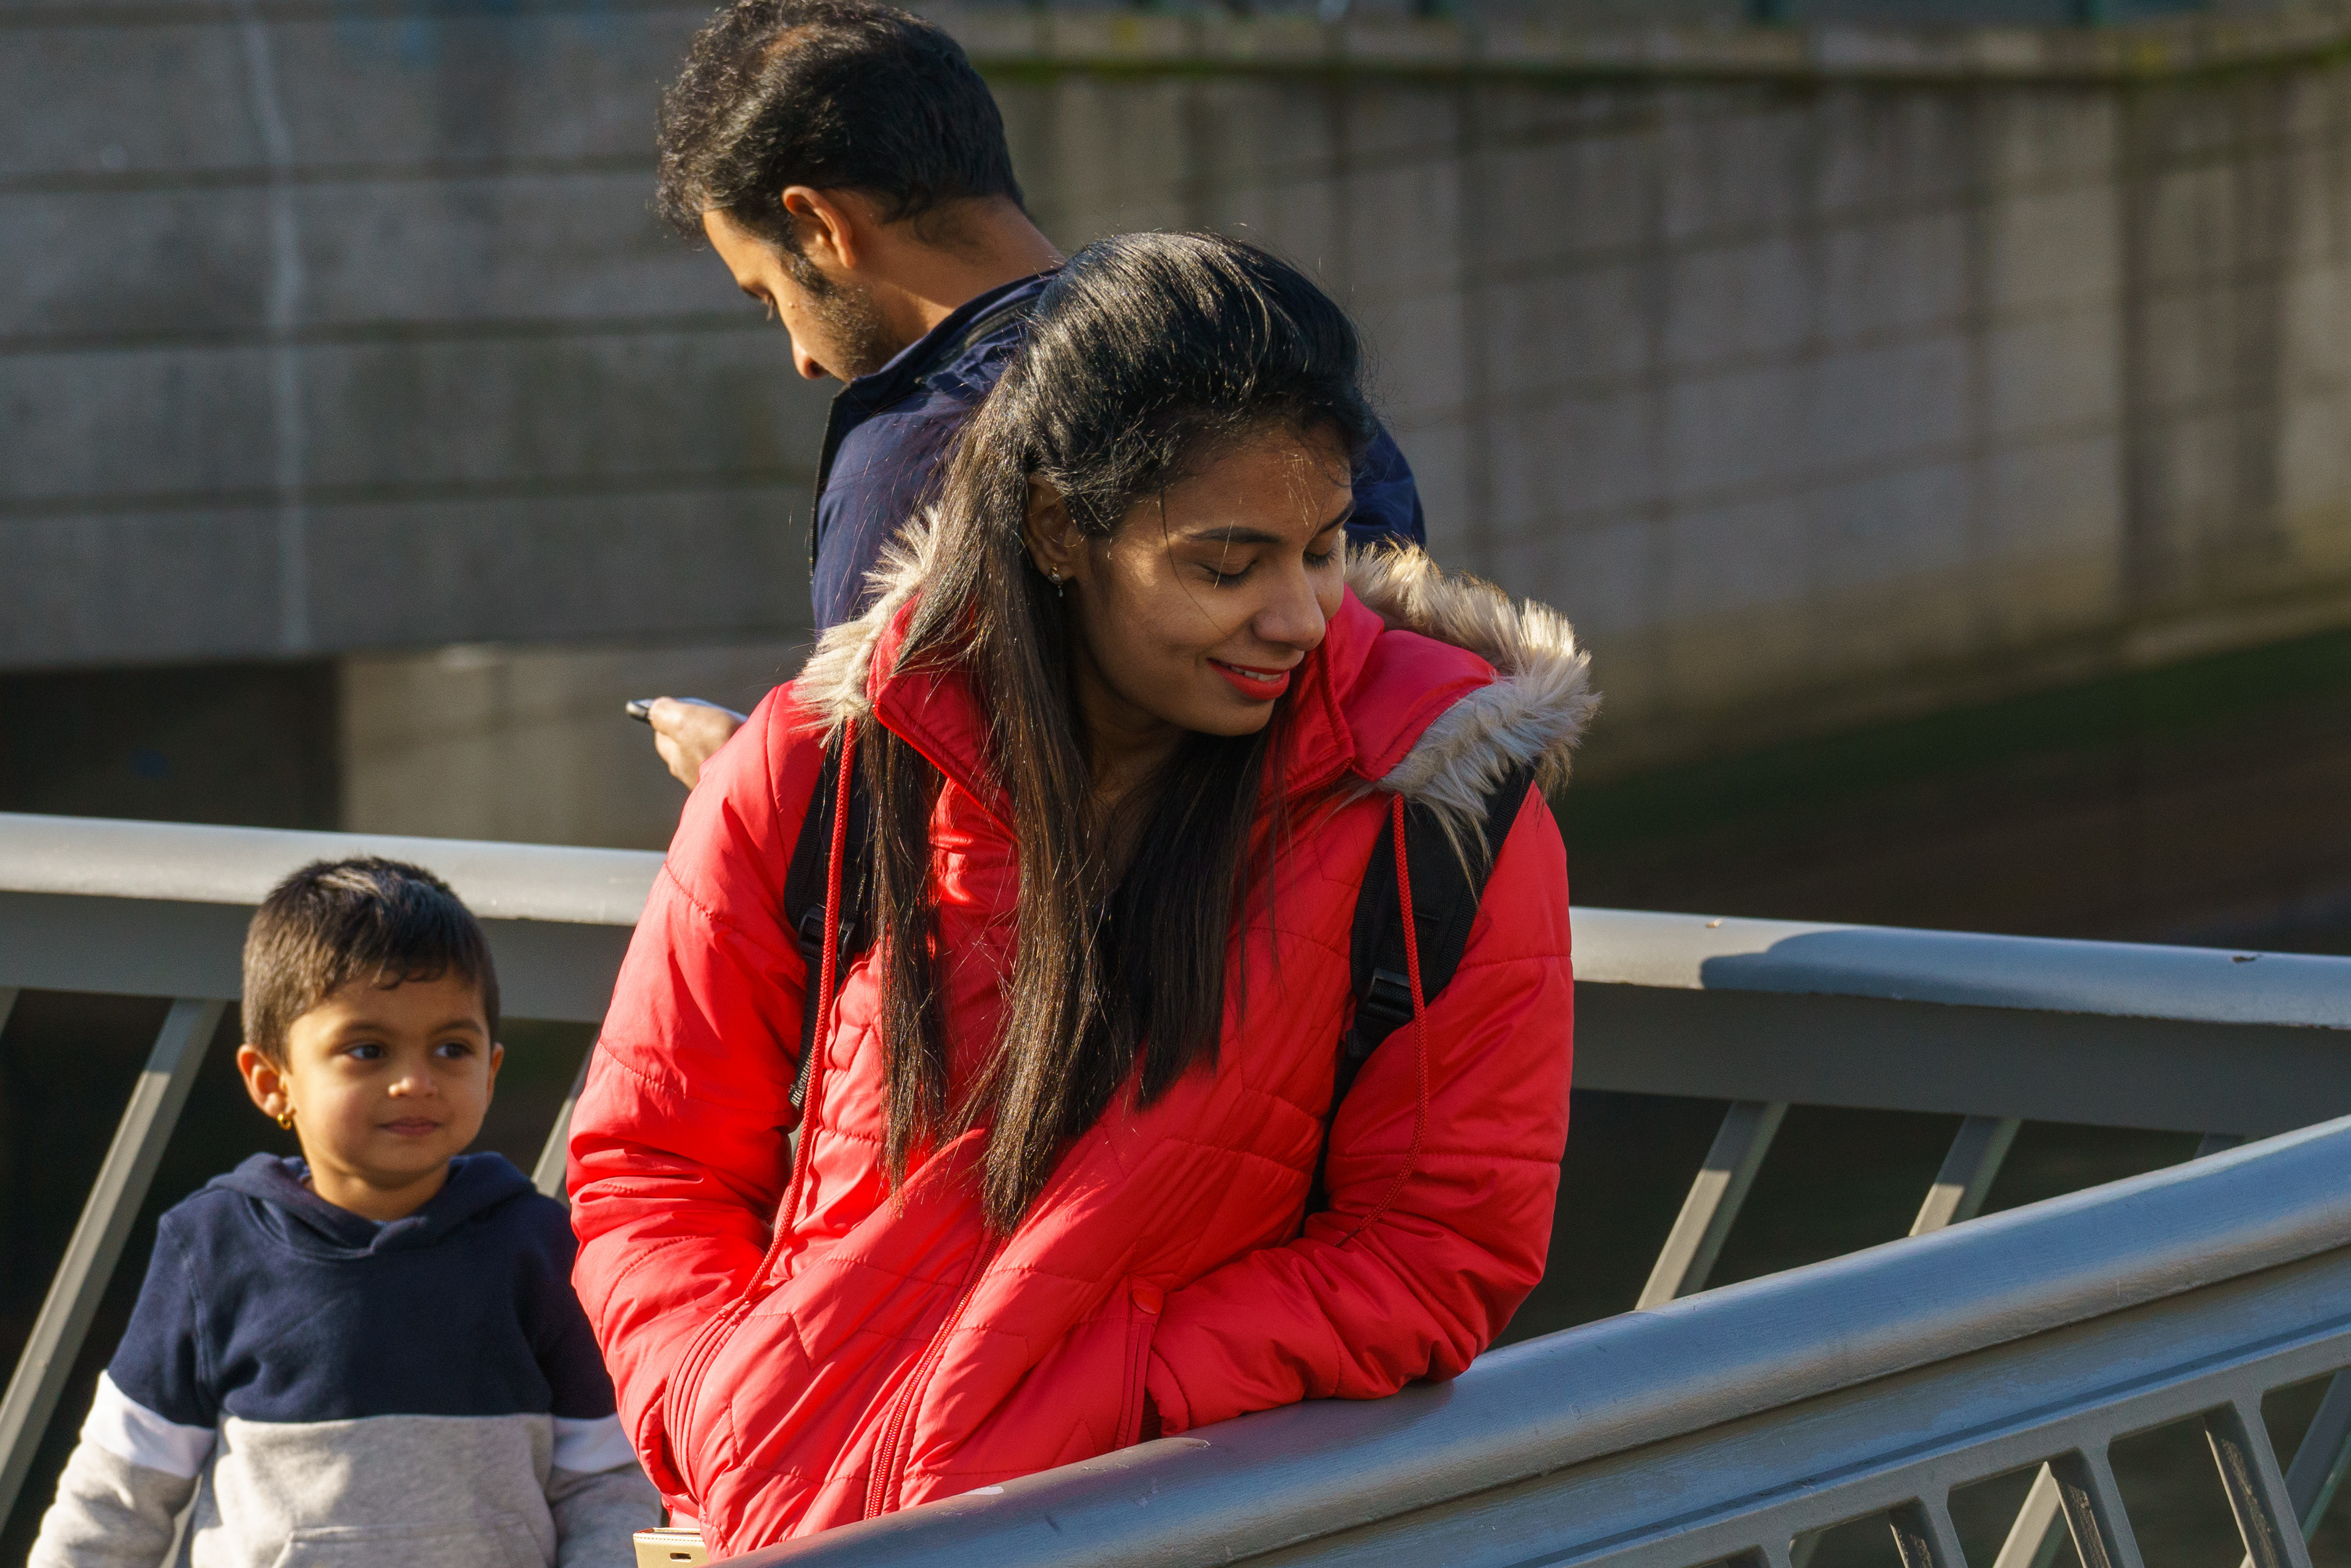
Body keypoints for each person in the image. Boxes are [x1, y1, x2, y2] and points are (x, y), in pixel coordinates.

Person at [568, 232, 1592, 1553]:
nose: (1297, 615)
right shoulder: (823, 760)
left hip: (1146, 1530)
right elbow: (648, 1160)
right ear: (1059, 527)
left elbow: (1437, 1247)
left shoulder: (1435, 809)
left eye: (1323, 550)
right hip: (772, 1518)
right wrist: (719, 1398)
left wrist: (1095, 1400)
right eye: (1227, 565)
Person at [634, 0, 1428, 788]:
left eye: (770, 296)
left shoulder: (910, 454)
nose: (1299, 623)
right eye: (1230, 566)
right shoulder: (1287, 384)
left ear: (819, 225)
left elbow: (895, 834)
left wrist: (754, 784)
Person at [29, 858, 656, 1568]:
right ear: (272, 1080)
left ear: (491, 1070)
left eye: (452, 1048)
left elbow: (609, 1483)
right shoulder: (209, 1250)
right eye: (367, 1049)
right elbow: (113, 1499)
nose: (415, 1080)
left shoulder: (540, 1247)